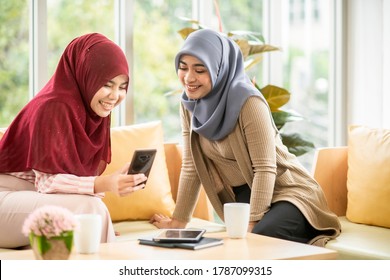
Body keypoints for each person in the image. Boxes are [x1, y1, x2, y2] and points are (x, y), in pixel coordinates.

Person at [150, 29, 341, 246]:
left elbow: (265, 168)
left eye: (200, 70)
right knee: (240, 242)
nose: (189, 78)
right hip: (245, 196)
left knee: (257, 239)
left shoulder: (249, 103)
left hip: (288, 192)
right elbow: (192, 165)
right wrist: (178, 221)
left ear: (219, 69)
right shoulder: (190, 105)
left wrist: (252, 224)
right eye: (182, 68)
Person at [0, 33, 147, 249]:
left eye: (122, 86)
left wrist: (98, 223)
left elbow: (74, 182)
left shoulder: (94, 111)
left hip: (30, 197)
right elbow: (48, 182)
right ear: (86, 74)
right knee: (91, 209)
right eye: (107, 84)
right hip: (6, 198)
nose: (115, 96)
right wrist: (106, 185)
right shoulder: (53, 107)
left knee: (93, 213)